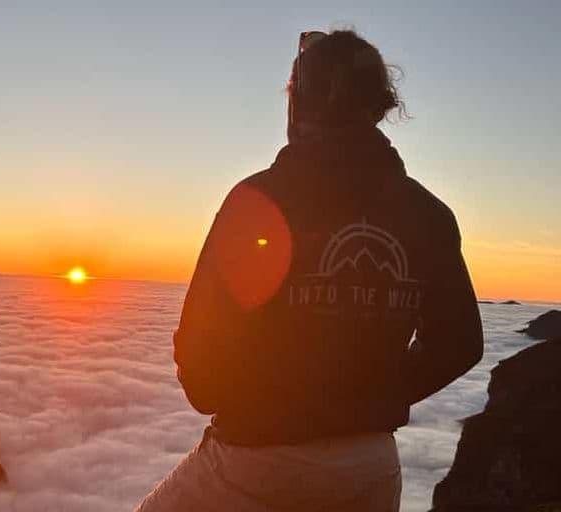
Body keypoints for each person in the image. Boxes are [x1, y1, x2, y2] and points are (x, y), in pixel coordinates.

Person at [135, 29, 483, 511]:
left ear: (299, 105)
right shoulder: (428, 214)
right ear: (380, 108)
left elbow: (201, 363)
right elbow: (461, 343)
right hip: (371, 469)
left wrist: (270, 399)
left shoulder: (259, 201)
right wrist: (371, 396)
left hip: (256, 464)